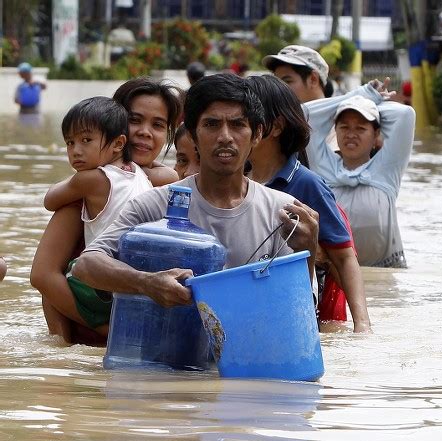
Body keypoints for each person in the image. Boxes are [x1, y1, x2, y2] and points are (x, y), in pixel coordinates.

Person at [71, 73, 319, 316]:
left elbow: (298, 312)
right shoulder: (153, 204)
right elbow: (86, 265)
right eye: (211, 124)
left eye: (237, 125)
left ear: (256, 134)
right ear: (193, 134)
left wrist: (308, 252)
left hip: (244, 353)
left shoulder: (283, 213)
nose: (225, 137)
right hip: (167, 355)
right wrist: (146, 282)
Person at [30, 78, 183, 344]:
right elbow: (43, 276)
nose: (146, 132)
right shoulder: (83, 193)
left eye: (158, 125)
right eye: (135, 120)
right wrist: (111, 330)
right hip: (90, 344)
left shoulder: (157, 183)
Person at [245, 75, 370, 333]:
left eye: (243, 120)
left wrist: (363, 326)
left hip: (294, 313)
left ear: (275, 127)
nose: (235, 130)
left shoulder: (307, 184)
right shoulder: (236, 179)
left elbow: (345, 257)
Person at [305, 93, 416, 268]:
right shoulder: (322, 168)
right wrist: (360, 94)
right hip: (334, 272)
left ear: (376, 134)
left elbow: (405, 115)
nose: (351, 134)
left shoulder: (386, 169)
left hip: (383, 269)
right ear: (335, 131)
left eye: (361, 128)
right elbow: (306, 113)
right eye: (344, 127)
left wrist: (369, 102)